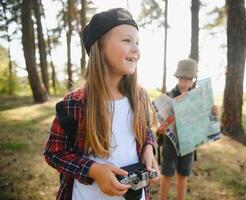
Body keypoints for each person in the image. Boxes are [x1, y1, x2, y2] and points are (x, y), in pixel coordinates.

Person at [44, 8, 160, 200]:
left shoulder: (138, 96)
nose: (136, 50)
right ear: (100, 48)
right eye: (126, 40)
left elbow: (144, 129)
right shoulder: (74, 104)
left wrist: (149, 149)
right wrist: (93, 170)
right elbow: (54, 153)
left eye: (137, 42)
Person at [158, 58, 217, 200]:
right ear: (178, 77)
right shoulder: (168, 97)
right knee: (166, 175)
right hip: (170, 143)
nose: (186, 82)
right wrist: (165, 125)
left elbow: (204, 121)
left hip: (189, 143)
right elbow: (160, 128)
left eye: (189, 79)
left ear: (193, 79)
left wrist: (213, 113)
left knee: (183, 176)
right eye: (183, 78)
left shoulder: (197, 98)